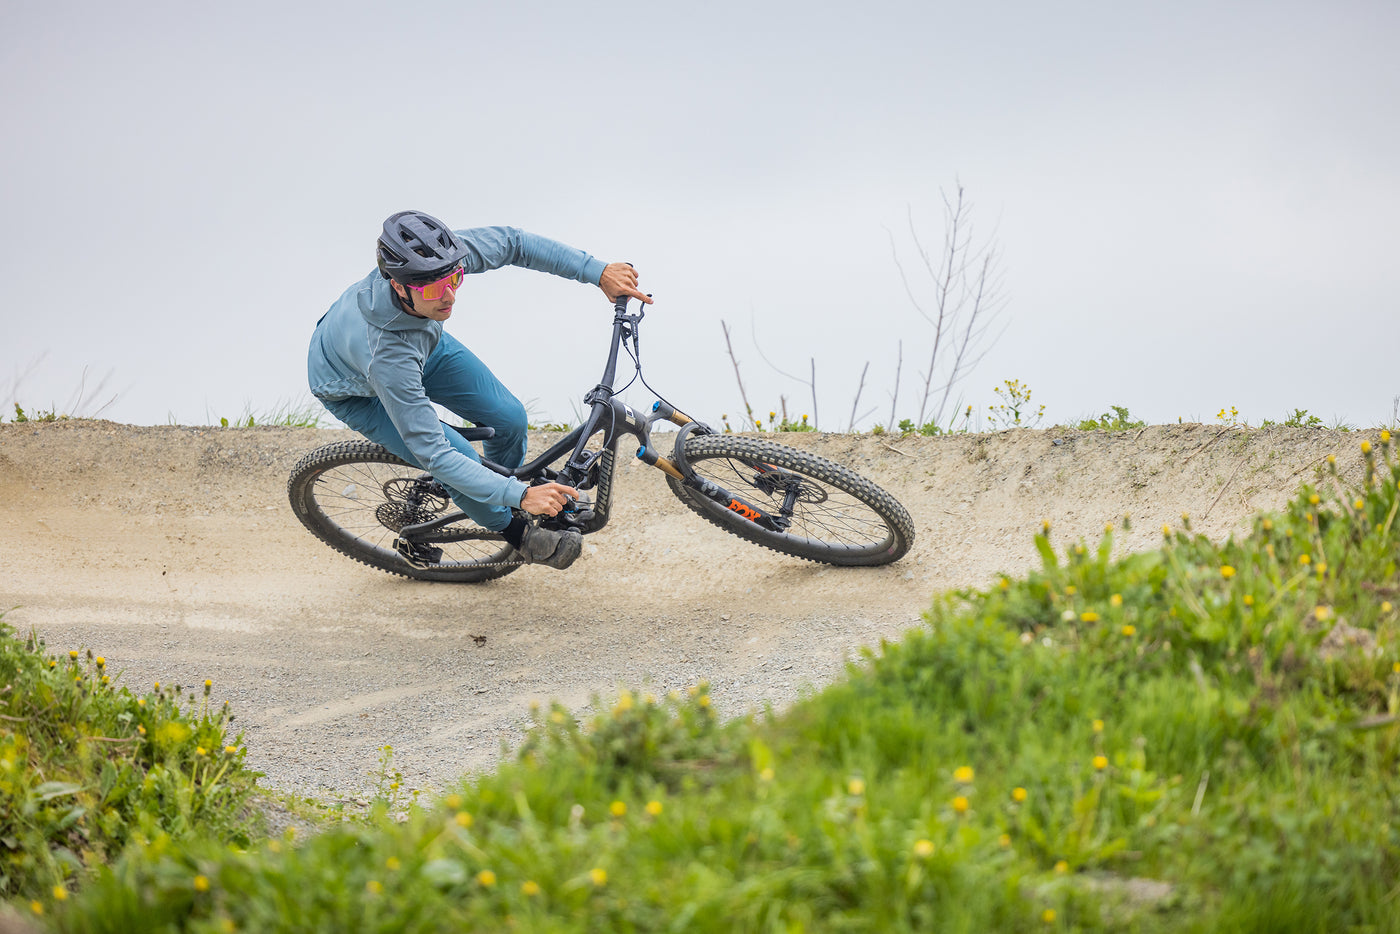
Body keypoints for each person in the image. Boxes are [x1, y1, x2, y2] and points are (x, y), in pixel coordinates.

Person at [306, 210, 651, 570]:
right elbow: (436, 454)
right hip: (357, 388)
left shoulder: (435, 264)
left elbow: (515, 243)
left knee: (509, 418)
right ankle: (515, 532)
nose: (450, 295)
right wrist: (519, 496)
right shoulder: (386, 358)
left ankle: (492, 491)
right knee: (454, 457)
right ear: (397, 285)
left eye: (456, 279)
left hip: (421, 341)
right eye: (436, 289)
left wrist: (596, 271)